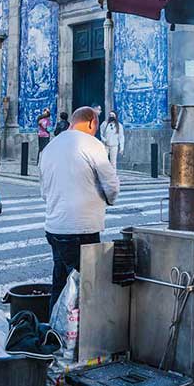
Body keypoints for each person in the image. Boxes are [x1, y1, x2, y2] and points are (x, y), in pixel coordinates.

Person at [40, 105, 120, 309]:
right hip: (81, 229)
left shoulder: (50, 147)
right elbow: (110, 184)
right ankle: (81, 336)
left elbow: (44, 191)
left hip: (54, 227)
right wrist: (109, 200)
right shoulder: (92, 144)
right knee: (85, 288)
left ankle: (54, 331)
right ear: (92, 122)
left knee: (60, 283)